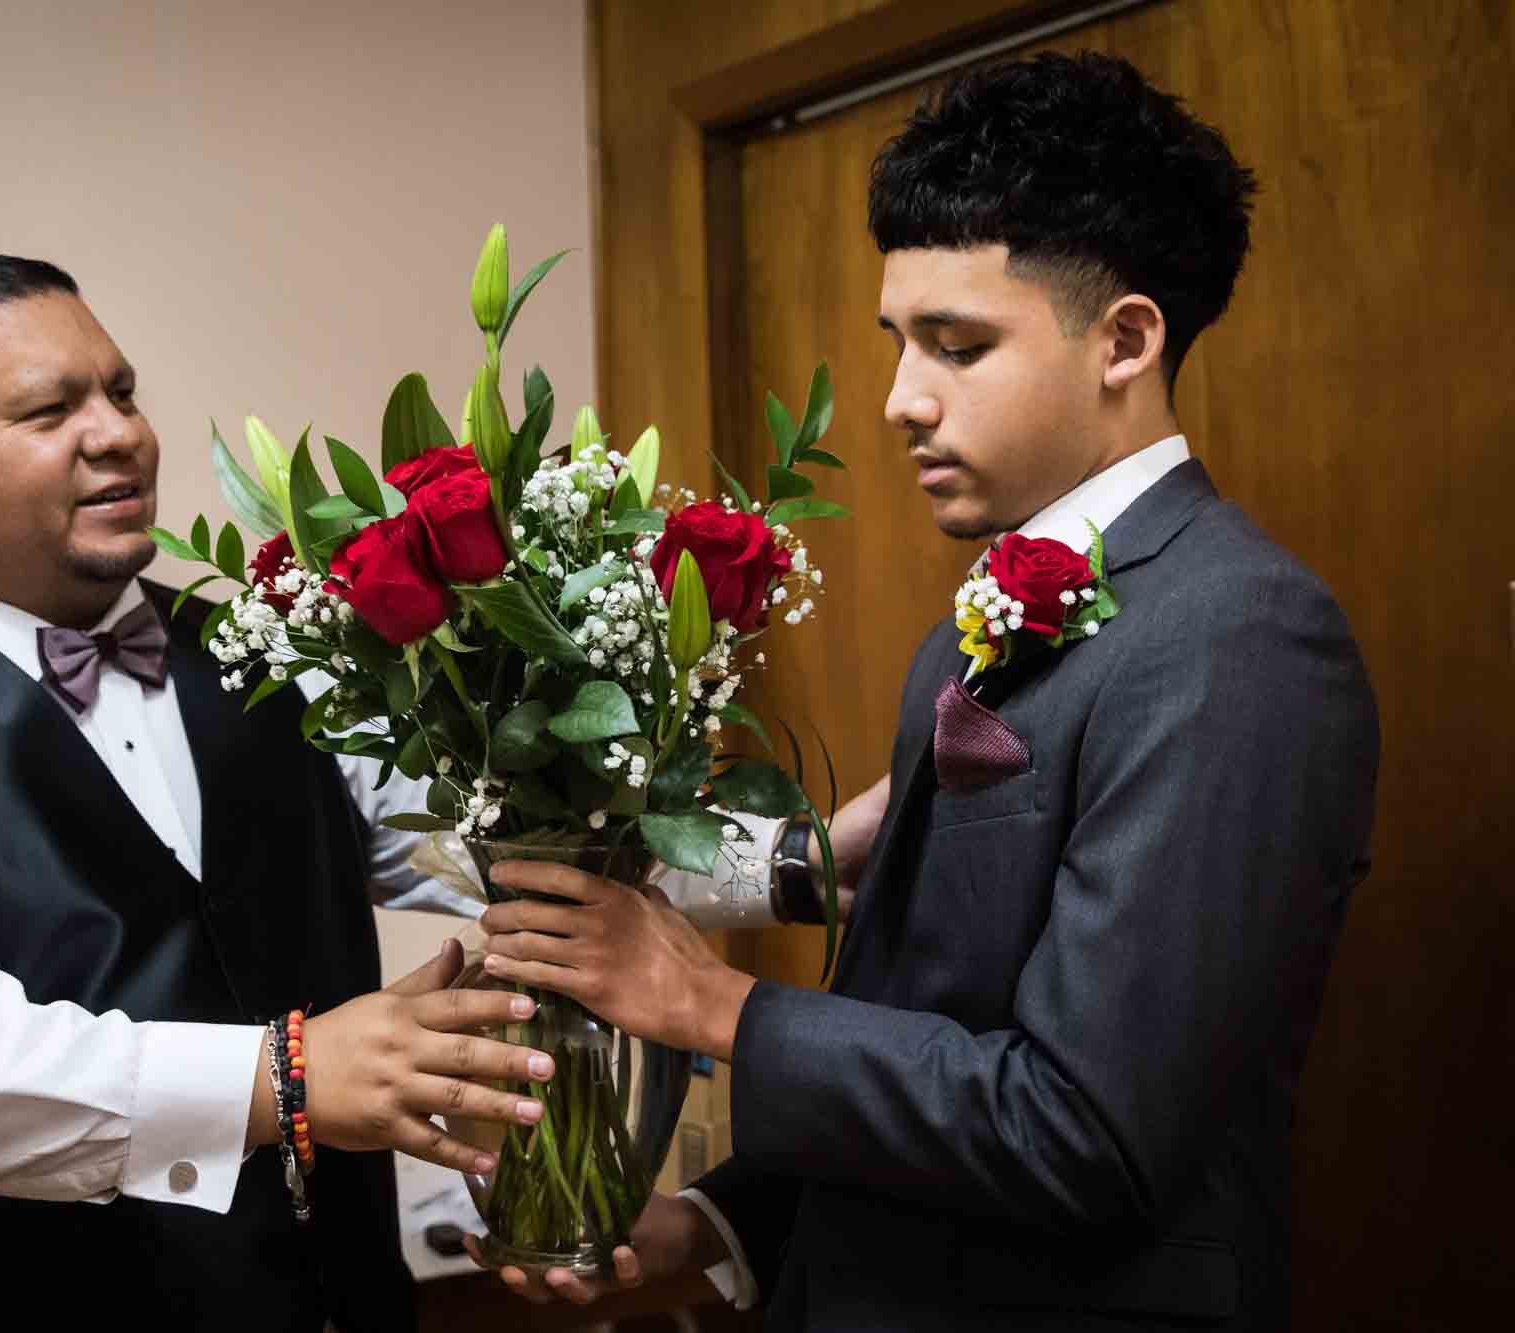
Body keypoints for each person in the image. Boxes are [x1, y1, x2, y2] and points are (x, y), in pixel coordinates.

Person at [471, 51, 1378, 1330]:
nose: (898, 399)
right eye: (899, 343)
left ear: (1123, 340)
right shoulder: (974, 625)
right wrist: (718, 1221)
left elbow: (1086, 1130)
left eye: (957, 346)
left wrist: (708, 1002)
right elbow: (921, 1029)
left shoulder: (1240, 635)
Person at [0, 255, 557, 1333]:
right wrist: (281, 1075)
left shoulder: (282, 654)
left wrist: (787, 863)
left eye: (122, 391)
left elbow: (502, 846)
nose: (118, 434)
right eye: (50, 410)